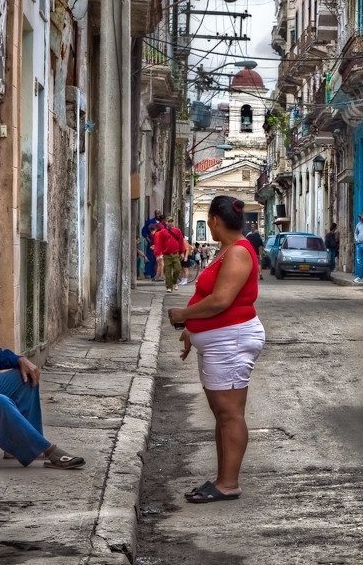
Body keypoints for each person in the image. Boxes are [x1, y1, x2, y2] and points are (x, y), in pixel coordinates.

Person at [167, 196, 265, 504]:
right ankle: (223, 479)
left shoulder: (237, 252)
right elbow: (210, 299)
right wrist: (192, 331)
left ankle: (228, 483)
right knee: (222, 414)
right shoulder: (227, 250)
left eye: (209, 221)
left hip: (232, 341)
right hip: (221, 340)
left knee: (230, 413)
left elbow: (222, 301)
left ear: (214, 221)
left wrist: (183, 316)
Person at [0, 273, 85, 469]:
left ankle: (21, 446)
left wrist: (19, 360)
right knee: (1, 402)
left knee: (25, 377)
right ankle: (48, 450)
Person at [153, 216, 186, 292]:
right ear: (166, 222)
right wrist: (158, 254)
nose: (170, 223)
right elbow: (159, 244)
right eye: (169, 221)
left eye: (171, 221)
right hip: (166, 254)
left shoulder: (177, 231)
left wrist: (182, 252)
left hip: (175, 254)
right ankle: (169, 287)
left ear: (173, 222)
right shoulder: (162, 232)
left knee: (177, 269)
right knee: (167, 271)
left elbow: (181, 242)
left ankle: (174, 281)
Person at [140, 210, 162, 279]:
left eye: (159, 213)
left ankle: (157, 274)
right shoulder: (150, 222)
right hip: (152, 243)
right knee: (150, 257)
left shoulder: (163, 223)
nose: (158, 215)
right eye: (157, 213)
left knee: (159, 259)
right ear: (155, 214)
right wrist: (148, 240)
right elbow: (144, 231)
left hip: (160, 244)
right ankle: (148, 272)